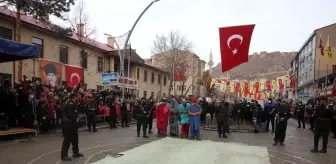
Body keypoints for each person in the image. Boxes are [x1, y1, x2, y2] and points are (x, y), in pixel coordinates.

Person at [61, 93, 83, 161]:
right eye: (77, 96)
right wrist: (77, 118)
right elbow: (71, 114)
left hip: (71, 124)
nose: (78, 97)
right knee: (67, 140)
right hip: (69, 124)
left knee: (75, 139)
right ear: (74, 97)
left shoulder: (68, 103)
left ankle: (75, 152)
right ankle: (64, 155)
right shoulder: (71, 104)